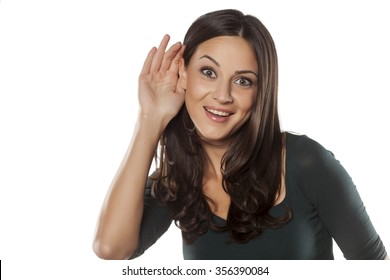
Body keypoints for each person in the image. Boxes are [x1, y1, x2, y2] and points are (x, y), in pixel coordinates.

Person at [92, 9, 388, 260]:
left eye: (243, 81)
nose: (222, 95)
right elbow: (111, 248)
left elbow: (374, 266)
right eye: (208, 72)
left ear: (260, 92)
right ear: (183, 73)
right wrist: (150, 118)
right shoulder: (177, 180)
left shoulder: (307, 162)